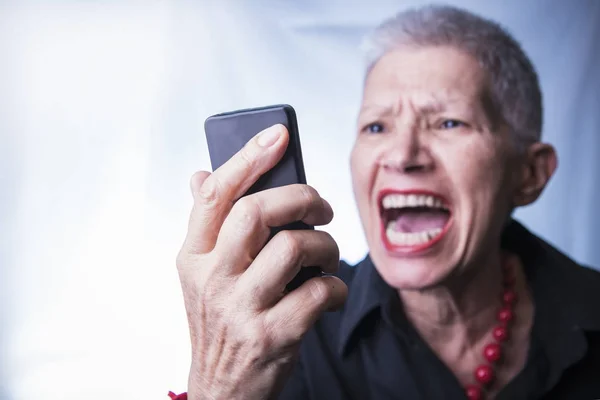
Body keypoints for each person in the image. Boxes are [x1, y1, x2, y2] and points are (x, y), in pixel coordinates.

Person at [171, 5, 600, 400]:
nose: (402, 155)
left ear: (529, 175)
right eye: (376, 127)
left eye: (448, 122)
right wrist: (217, 386)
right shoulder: (283, 338)